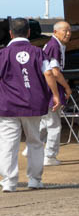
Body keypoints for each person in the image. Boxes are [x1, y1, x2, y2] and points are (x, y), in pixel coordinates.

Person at [0, 18, 61, 192]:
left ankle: (9, 182)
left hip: (7, 106)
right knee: (35, 141)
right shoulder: (38, 52)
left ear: (11, 33)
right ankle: (34, 180)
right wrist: (55, 95)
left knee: (7, 144)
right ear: (28, 33)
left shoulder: (3, 54)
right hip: (33, 105)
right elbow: (49, 74)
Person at [40, 21, 73, 165]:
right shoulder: (54, 46)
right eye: (64, 30)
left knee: (43, 122)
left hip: (46, 87)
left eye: (69, 30)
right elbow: (55, 72)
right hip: (52, 87)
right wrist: (66, 87)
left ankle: (32, 148)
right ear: (55, 32)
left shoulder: (56, 45)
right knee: (54, 124)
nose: (68, 33)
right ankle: (50, 156)